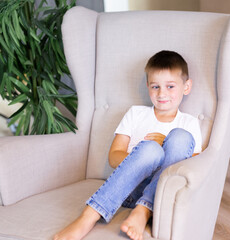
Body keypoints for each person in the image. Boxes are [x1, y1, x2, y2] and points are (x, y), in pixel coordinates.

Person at [54, 50, 202, 240]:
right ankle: (88, 216)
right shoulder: (136, 114)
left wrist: (165, 146)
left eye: (170, 86)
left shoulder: (189, 123)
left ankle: (143, 210)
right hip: (128, 189)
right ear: (148, 86)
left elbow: (191, 167)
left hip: (162, 196)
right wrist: (148, 151)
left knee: (181, 138)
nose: (162, 93)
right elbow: (114, 157)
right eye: (155, 86)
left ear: (186, 86)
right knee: (150, 149)